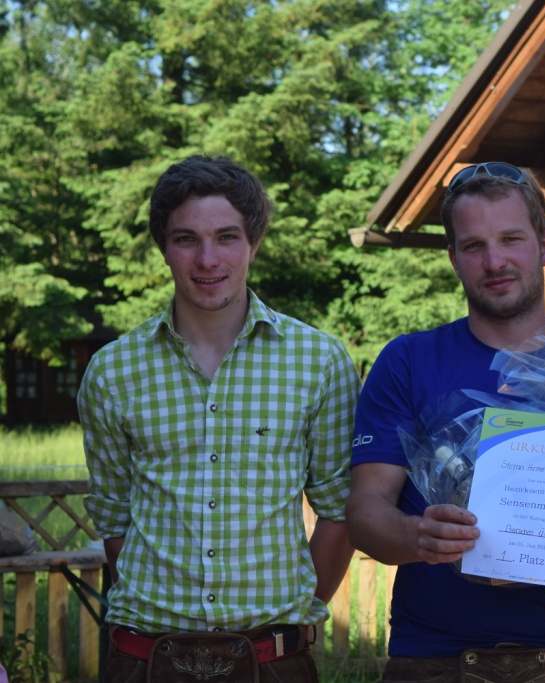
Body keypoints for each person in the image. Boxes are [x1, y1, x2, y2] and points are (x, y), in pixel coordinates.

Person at [346, 161, 545, 683]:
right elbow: (365, 511)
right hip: (432, 662)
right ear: (453, 259)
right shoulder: (409, 361)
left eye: (510, 239)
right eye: (474, 246)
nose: (494, 261)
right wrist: (417, 535)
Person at [79, 154, 359, 683]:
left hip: (274, 661)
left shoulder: (319, 362)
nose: (207, 259)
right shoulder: (112, 371)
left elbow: (338, 510)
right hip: (144, 659)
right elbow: (114, 520)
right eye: (186, 239)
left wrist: (287, 622)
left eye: (226, 237)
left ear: (253, 242)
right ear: (164, 248)